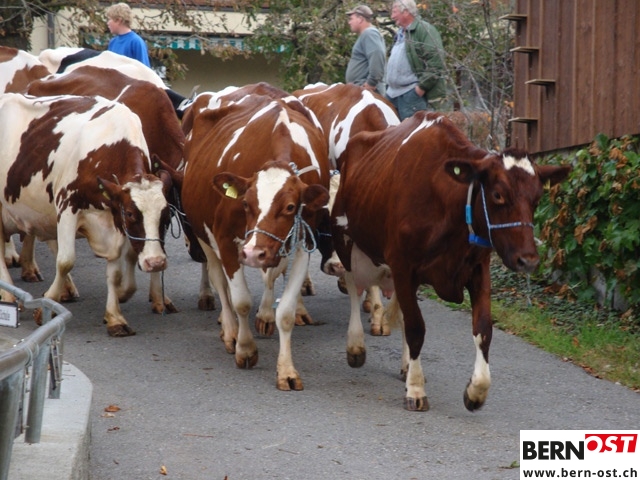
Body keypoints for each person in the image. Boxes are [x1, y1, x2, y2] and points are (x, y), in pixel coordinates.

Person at [386, 0, 446, 120]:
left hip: (411, 96)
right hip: (392, 95)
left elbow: (436, 63)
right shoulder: (400, 33)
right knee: (390, 131)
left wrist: (420, 88)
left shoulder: (425, 30)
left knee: (410, 132)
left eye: (394, 12)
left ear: (406, 12)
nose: (392, 16)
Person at [345, 5, 387, 95]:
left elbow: (377, 55)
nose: (349, 22)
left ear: (360, 19)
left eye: (351, 19)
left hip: (367, 91)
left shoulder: (369, 33)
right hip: (361, 90)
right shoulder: (367, 34)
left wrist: (371, 83)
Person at [106, 3, 151, 67]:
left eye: (110, 19)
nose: (108, 23)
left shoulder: (136, 42)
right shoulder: (113, 42)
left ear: (119, 20)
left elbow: (144, 69)